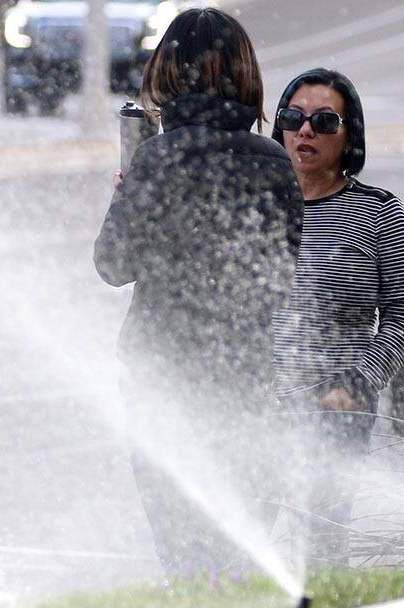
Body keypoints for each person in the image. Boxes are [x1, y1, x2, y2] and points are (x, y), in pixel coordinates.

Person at [94, 7, 304, 575]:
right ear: (244, 76)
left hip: (163, 377)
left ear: (169, 73)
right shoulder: (276, 163)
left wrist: (129, 191)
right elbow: (280, 278)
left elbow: (113, 264)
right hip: (247, 378)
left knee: (182, 546)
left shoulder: (157, 158)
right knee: (239, 545)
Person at [270, 68, 404, 564]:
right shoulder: (256, 205)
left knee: (322, 546)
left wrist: (356, 384)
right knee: (245, 535)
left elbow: (402, 315)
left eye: (324, 121)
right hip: (255, 403)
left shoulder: (378, 213)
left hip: (335, 408)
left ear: (349, 134)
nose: (305, 130)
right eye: (293, 117)